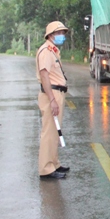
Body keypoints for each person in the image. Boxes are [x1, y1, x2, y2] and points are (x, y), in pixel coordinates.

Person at [36, 21, 71, 179]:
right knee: (49, 132)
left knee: (55, 132)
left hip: (57, 93)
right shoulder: (45, 51)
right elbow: (44, 76)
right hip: (52, 93)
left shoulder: (53, 51)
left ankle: (54, 163)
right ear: (50, 35)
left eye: (63, 33)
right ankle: (46, 169)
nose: (62, 36)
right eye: (59, 33)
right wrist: (52, 100)